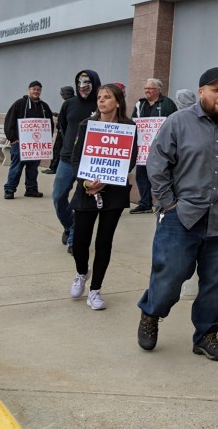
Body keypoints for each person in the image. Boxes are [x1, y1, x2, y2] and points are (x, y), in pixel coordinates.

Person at [136, 67, 218, 361]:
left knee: (215, 284)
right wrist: (168, 203)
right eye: (216, 89)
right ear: (201, 91)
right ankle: (151, 312)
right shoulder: (178, 122)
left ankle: (206, 334)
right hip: (182, 218)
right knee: (170, 278)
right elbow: (157, 163)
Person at [68, 84, 138, 310]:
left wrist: (108, 178)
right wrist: (86, 182)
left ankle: (95, 290)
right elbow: (76, 158)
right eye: (99, 97)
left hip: (113, 193)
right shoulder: (87, 125)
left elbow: (130, 159)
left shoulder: (129, 127)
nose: (101, 101)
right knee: (79, 242)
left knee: (103, 242)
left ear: (117, 102)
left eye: (107, 97)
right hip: (86, 191)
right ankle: (81, 272)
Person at [53, 69, 102, 254]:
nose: (82, 86)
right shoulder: (69, 104)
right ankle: (70, 225)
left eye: (87, 82)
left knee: (81, 203)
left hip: (89, 162)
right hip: (67, 159)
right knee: (58, 197)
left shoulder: (101, 104)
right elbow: (64, 128)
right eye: (79, 82)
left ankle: (75, 239)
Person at [130, 78, 178, 214]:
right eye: (145, 88)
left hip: (160, 148)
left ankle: (163, 202)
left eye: (149, 89)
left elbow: (172, 122)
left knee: (160, 174)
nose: (146, 91)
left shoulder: (167, 104)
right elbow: (134, 121)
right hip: (143, 149)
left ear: (158, 90)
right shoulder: (140, 104)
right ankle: (145, 203)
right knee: (141, 175)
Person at [2, 80, 54, 199]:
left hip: (36, 146)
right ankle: (9, 189)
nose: (36, 91)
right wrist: (12, 138)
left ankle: (31, 189)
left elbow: (49, 124)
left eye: (38, 89)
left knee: (32, 169)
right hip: (19, 144)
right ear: (29, 90)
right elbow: (9, 120)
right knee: (16, 167)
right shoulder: (19, 104)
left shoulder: (44, 107)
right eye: (34, 89)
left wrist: (46, 140)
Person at [43, 85, 75, 175]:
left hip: (63, 132)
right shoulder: (74, 102)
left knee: (57, 149)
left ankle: (53, 167)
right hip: (67, 131)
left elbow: (64, 118)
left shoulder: (68, 103)